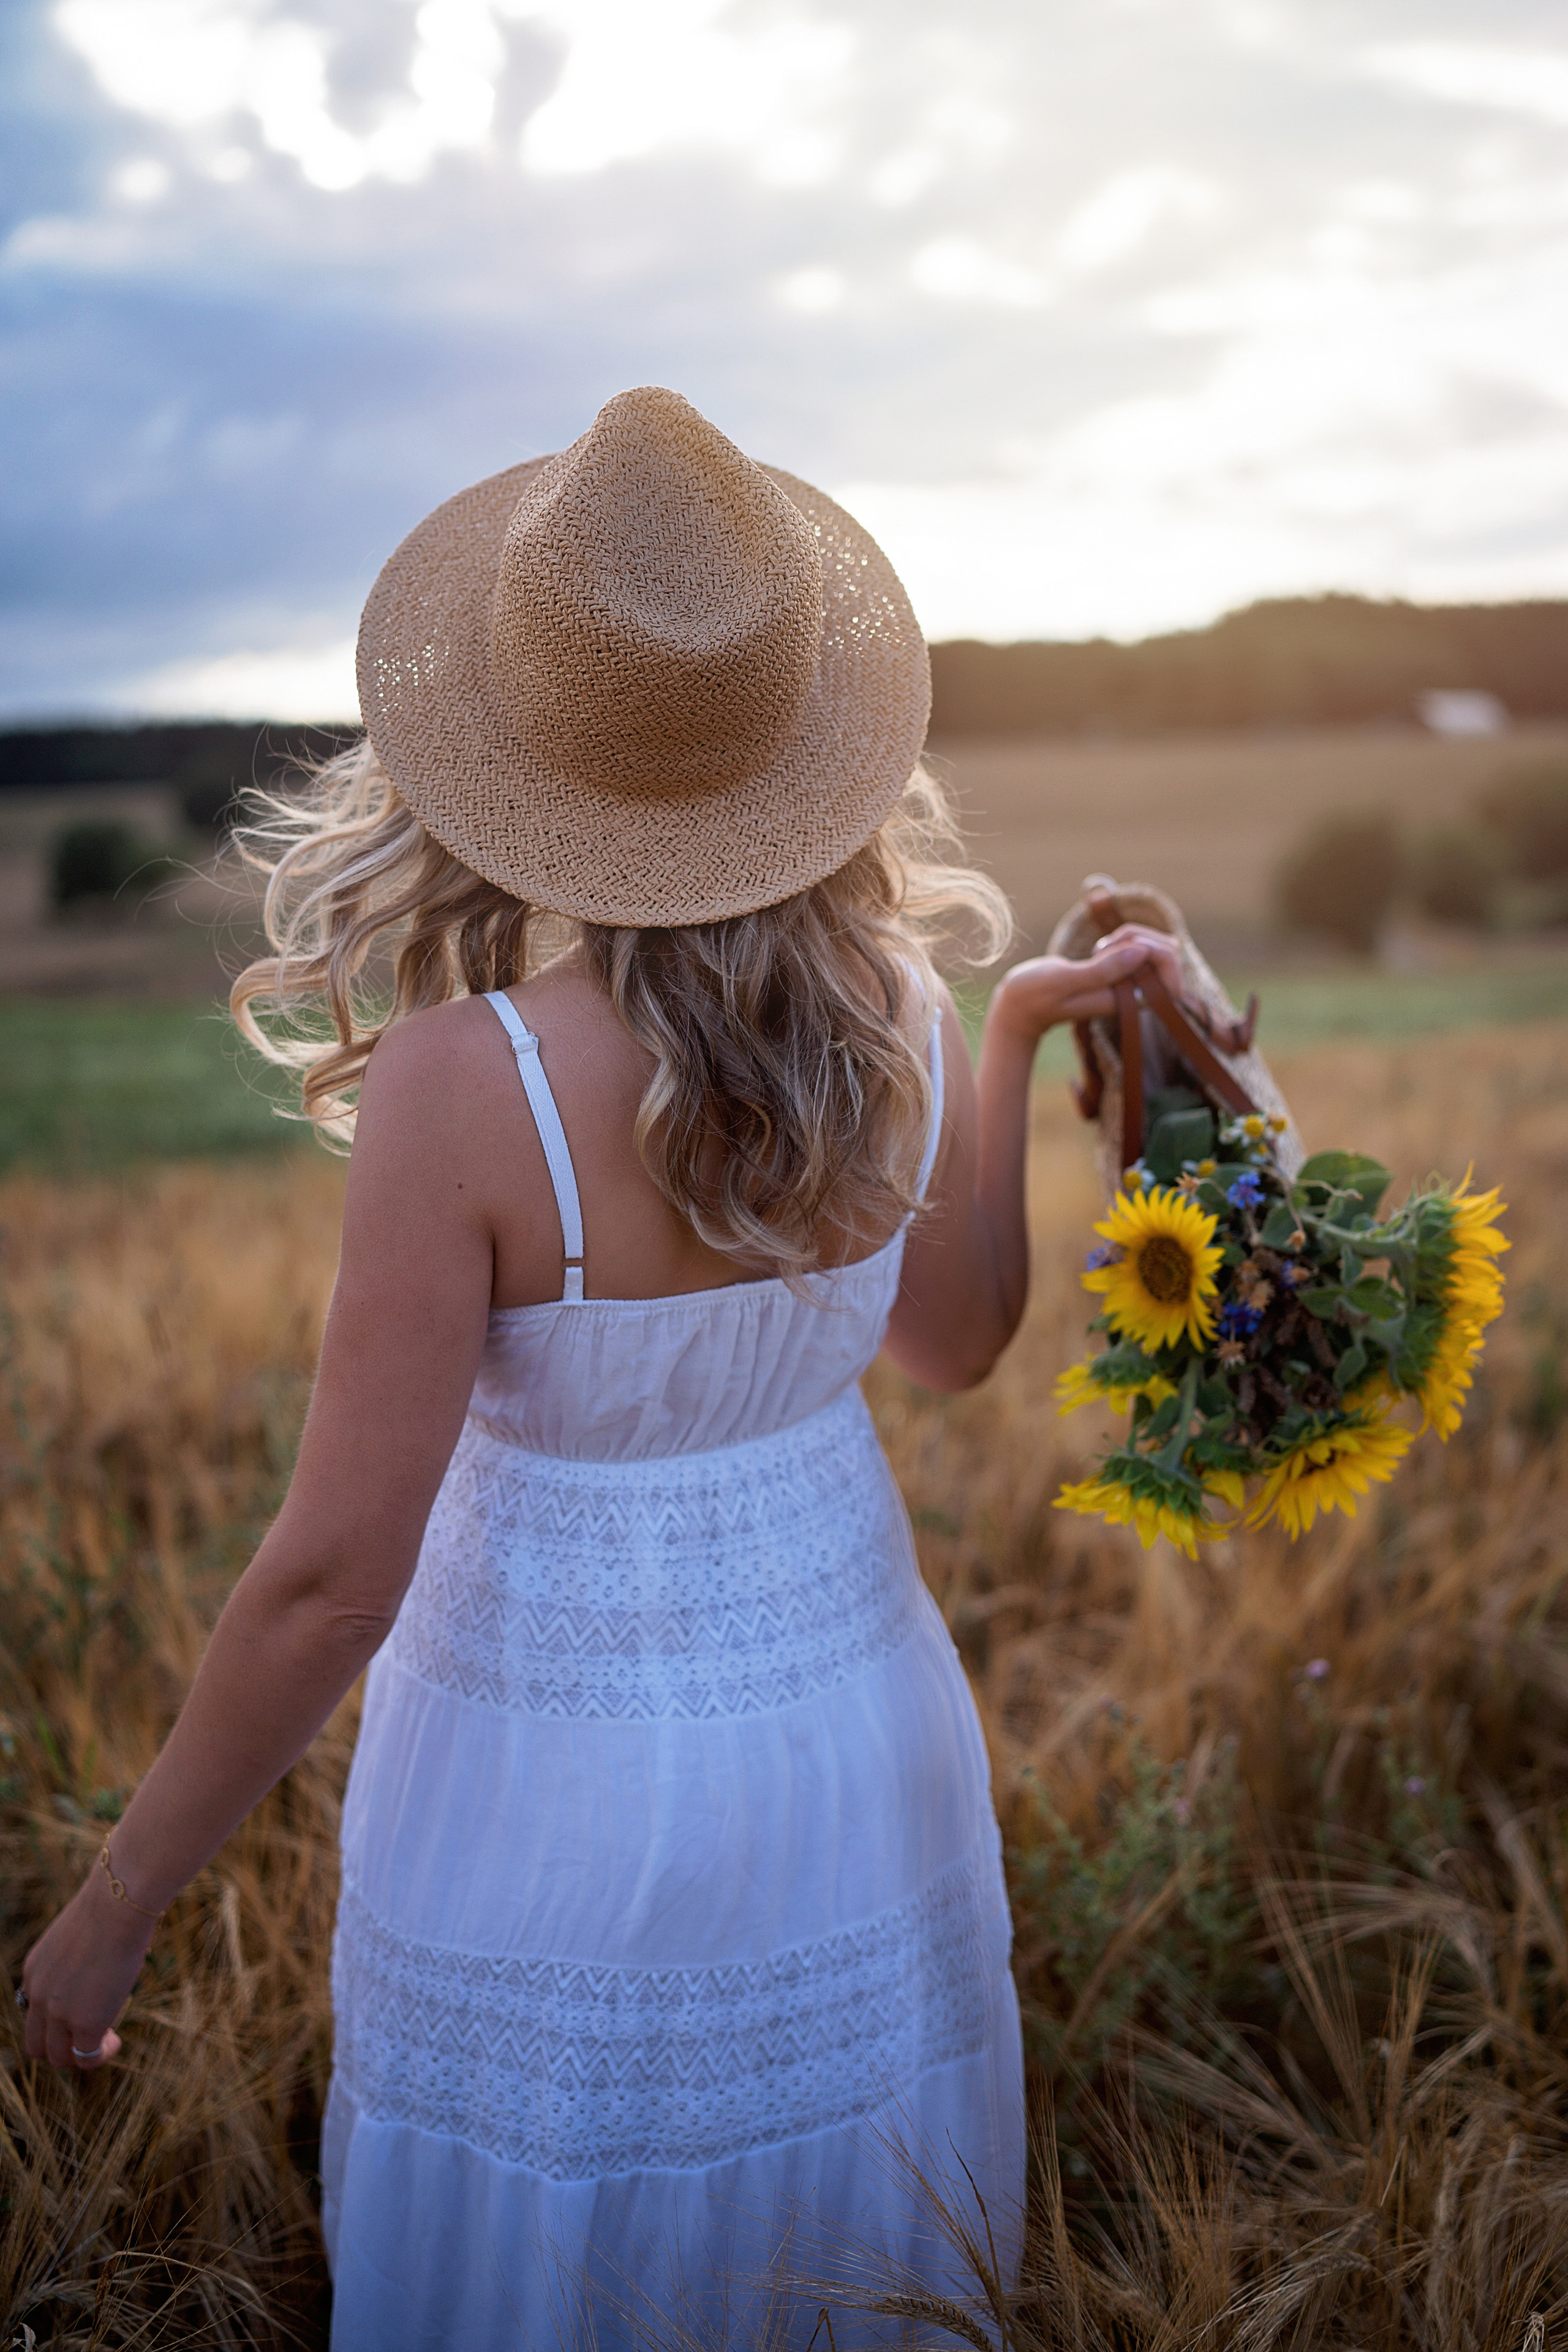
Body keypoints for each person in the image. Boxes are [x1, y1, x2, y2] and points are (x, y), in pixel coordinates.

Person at [20, 387, 1181, 2347]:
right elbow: (963, 1346)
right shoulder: (896, 1006)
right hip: (851, 1750)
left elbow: (330, 1581)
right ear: (794, 746)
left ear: (517, 748)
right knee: (839, 2237)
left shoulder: (466, 1092)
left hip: (544, 1789)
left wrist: (119, 1901)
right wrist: (1001, 1050)